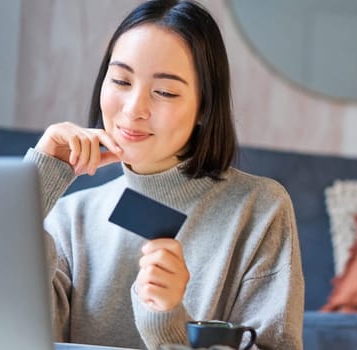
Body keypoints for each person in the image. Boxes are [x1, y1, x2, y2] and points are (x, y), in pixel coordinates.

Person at [22, 1, 304, 349]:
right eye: (121, 80)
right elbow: (0, 326)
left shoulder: (260, 209)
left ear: (204, 107)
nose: (134, 109)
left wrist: (168, 323)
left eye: (165, 91)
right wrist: (35, 183)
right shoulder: (69, 217)